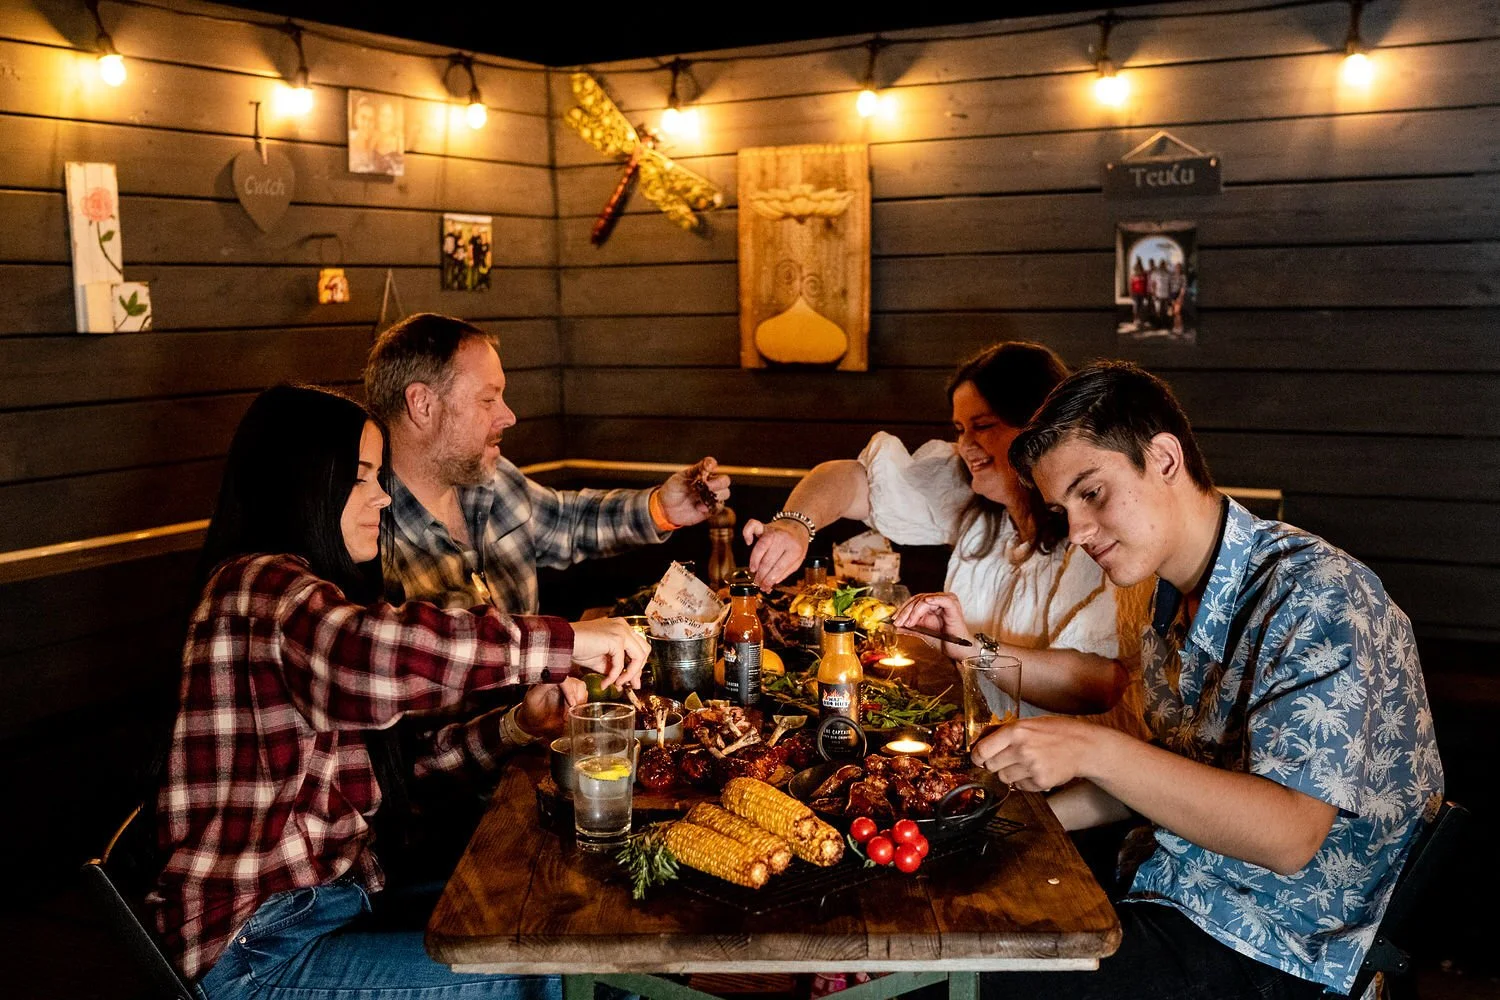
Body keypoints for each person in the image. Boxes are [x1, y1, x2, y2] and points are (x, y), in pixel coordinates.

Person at [145, 385, 649, 997]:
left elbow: (402, 769)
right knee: (537, 968)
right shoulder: (255, 589)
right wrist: (568, 640)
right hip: (254, 950)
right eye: (360, 477)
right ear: (302, 483)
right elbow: (373, 652)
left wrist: (517, 723)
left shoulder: (314, 596)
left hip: (335, 904)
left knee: (557, 907)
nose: (383, 496)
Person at [972, 362, 1443, 999]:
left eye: (1093, 493)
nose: (1077, 532)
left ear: (1164, 459)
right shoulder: (1166, 600)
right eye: (1064, 508)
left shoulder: (1319, 593)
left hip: (1278, 945)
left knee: (975, 982)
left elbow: (1288, 836)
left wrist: (1092, 748)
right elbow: (1162, 783)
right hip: (1172, 885)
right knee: (974, 913)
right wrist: (1002, 824)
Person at [744, 342, 1150, 740]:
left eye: (983, 426)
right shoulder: (973, 503)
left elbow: (1100, 685)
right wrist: (795, 526)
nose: (966, 445)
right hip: (978, 738)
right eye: (959, 429)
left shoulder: (1090, 536)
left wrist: (971, 649)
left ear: (1036, 426)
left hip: (1067, 761)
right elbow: (847, 477)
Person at [365, 312, 730, 616]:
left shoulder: (491, 478)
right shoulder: (364, 532)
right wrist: (572, 642)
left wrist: (661, 508)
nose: (509, 417)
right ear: (422, 405)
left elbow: (568, 523)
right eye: (488, 400)